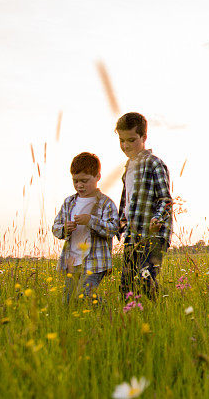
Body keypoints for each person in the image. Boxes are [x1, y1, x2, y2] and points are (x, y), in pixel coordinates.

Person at [116, 112, 173, 300]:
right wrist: (119, 225)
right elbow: (126, 202)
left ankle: (155, 315)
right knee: (127, 285)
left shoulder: (154, 164)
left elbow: (165, 200)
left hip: (153, 235)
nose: (125, 145)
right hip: (133, 236)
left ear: (144, 137)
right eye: (122, 140)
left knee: (145, 278)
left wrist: (157, 218)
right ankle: (132, 320)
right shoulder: (128, 168)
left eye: (131, 140)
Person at [51, 152, 118, 302]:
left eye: (85, 180)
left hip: (95, 262)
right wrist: (64, 228)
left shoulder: (105, 203)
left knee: (85, 294)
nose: (79, 185)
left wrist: (91, 221)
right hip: (72, 261)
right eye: (75, 181)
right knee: (67, 302)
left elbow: (113, 228)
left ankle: (109, 313)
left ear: (98, 177)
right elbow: (55, 226)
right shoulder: (69, 202)